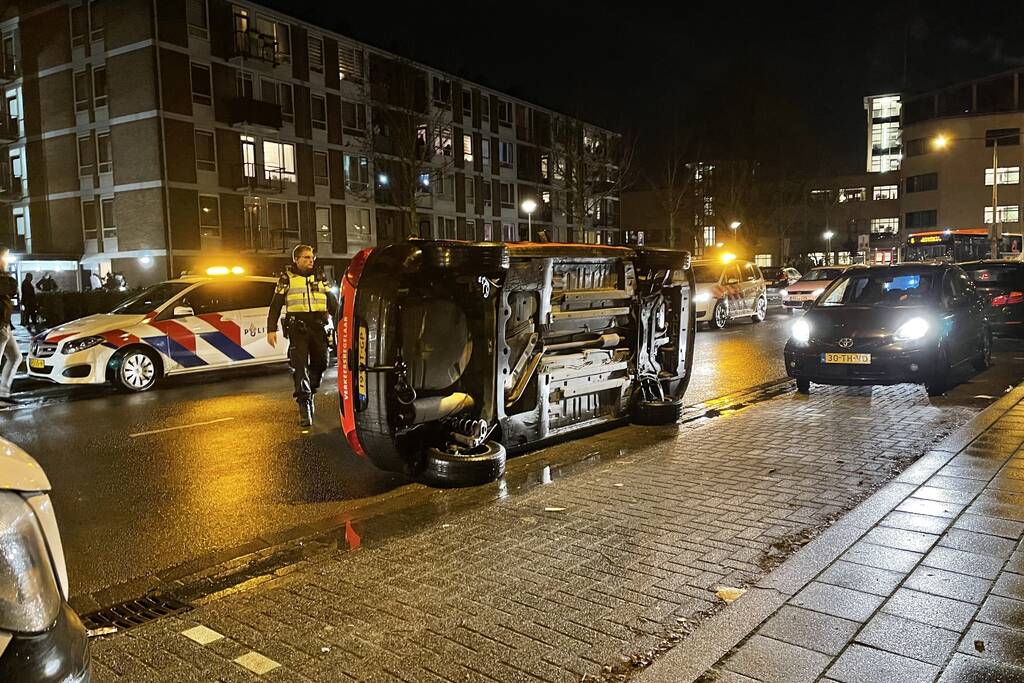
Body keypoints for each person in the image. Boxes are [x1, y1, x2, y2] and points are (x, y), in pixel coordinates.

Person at [267, 244, 339, 428]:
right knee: (299, 367)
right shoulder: (287, 279)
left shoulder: (321, 277)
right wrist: (271, 329)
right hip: (298, 329)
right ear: (296, 259)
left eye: (312, 257)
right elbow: (275, 305)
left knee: (322, 362)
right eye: (306, 257)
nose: (310, 260)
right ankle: (304, 405)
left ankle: (311, 390)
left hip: (318, 328)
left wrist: (341, 323)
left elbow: (332, 304)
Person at [0, 248, 21, 401]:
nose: (7, 260)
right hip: (0, 325)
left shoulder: (4, 278)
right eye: (5, 257)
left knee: (16, 357)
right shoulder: (3, 279)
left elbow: (13, 289)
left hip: (5, 326)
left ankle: (3, 392)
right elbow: (13, 288)